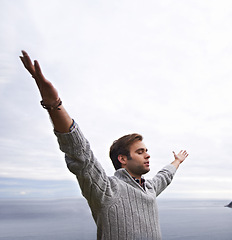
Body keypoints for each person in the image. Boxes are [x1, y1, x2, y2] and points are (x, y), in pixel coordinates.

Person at [20, 50, 189, 240]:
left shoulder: (149, 188)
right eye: (140, 152)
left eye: (146, 151)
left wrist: (177, 161)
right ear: (123, 159)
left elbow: (164, 176)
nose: (148, 155)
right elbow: (81, 156)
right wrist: (54, 104)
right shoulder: (107, 190)